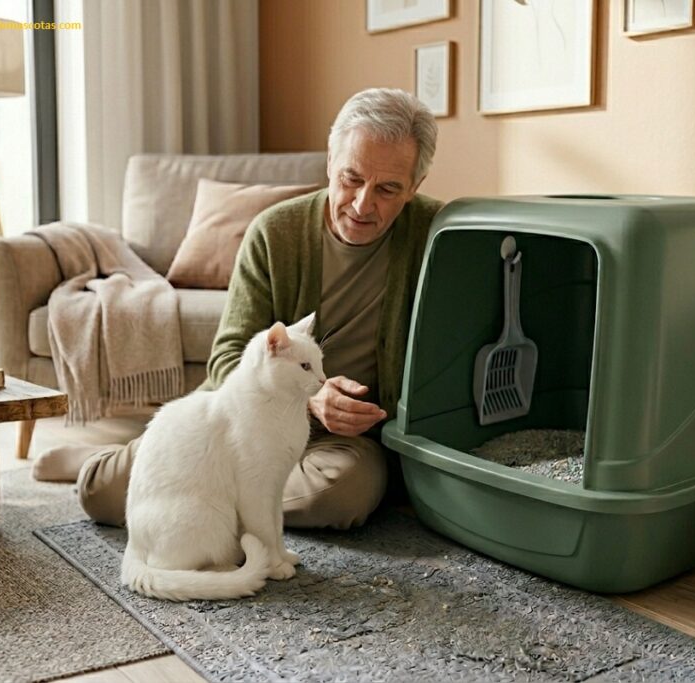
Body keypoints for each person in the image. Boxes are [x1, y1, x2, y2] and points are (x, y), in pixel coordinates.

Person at [33, 87, 443, 530]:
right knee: (102, 495)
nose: (364, 204)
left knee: (339, 496)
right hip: (242, 419)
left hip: (345, 443)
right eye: (351, 179)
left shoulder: (436, 237)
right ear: (330, 161)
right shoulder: (275, 231)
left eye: (388, 189)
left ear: (414, 187)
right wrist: (310, 400)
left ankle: (210, 498)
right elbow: (227, 359)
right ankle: (99, 461)